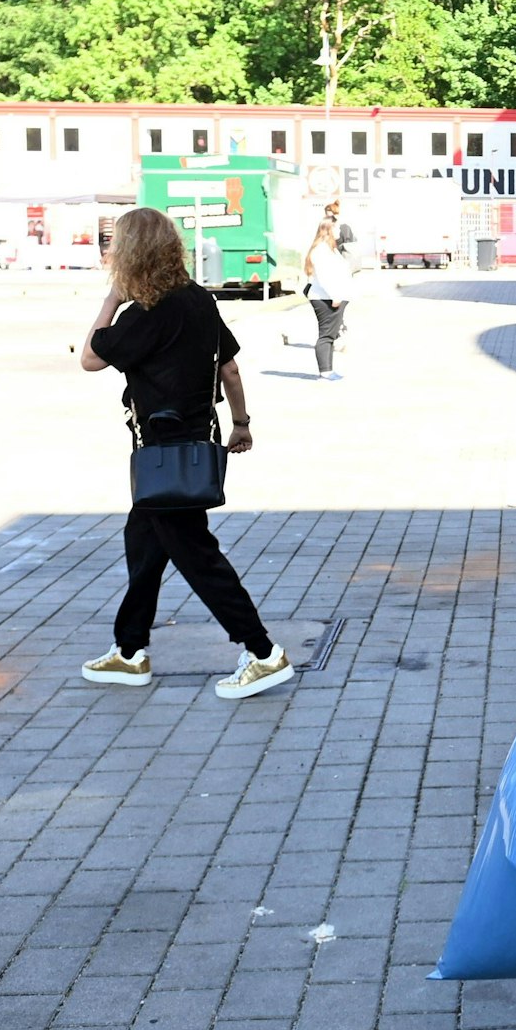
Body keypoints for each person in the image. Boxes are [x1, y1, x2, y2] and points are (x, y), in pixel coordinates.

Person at [79, 207, 295, 701]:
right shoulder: (199, 300)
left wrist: (112, 299)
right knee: (144, 545)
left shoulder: (145, 314)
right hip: (196, 445)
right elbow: (231, 369)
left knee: (198, 557)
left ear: (132, 255)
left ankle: (263, 653)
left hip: (163, 454)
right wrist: (240, 424)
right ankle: (129, 652)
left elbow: (90, 358)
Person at [302, 218, 349, 381]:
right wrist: (335, 295)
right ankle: (325, 371)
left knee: (331, 334)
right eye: (336, 227)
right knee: (326, 334)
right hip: (325, 298)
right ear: (328, 229)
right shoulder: (321, 250)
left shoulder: (330, 248)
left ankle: (328, 370)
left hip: (332, 296)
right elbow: (324, 276)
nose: (339, 230)